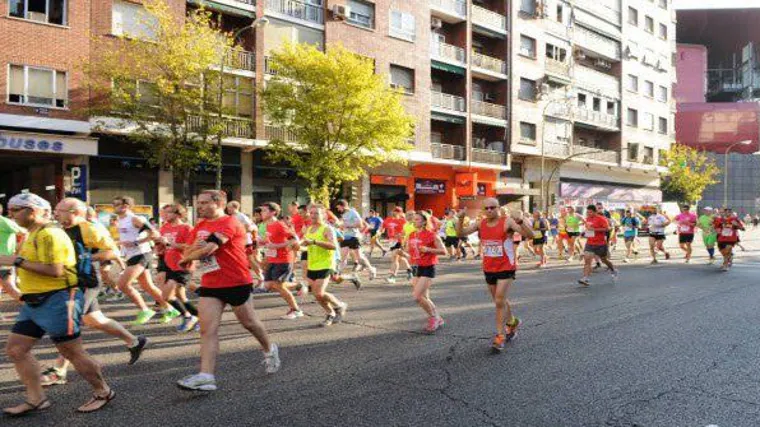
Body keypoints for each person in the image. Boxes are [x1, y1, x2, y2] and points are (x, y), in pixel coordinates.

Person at [1, 193, 114, 415]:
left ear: (31, 211)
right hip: (34, 302)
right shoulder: (32, 233)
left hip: (59, 299)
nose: (10, 214)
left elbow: (56, 271)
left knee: (72, 352)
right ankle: (37, 399)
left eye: (15, 210)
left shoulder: (51, 234)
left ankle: (103, 391)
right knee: (16, 350)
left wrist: (16, 261)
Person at [37, 198, 148, 388]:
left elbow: (113, 252)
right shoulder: (61, 228)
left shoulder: (91, 229)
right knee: (95, 320)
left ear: (74, 211)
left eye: (60, 210)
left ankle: (59, 370)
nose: (56, 213)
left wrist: (84, 257)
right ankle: (134, 341)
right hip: (70, 281)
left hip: (87, 282)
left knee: (70, 323)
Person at [177, 190, 280, 391]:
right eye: (199, 203)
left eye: (205, 203)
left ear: (219, 203)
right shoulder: (199, 226)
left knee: (249, 323)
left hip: (236, 281)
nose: (200, 206)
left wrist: (188, 256)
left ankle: (269, 349)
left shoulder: (230, 223)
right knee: (207, 330)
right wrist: (190, 253)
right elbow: (188, 250)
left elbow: (209, 249)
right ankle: (206, 376)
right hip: (211, 284)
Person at [456, 198, 533, 353]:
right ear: (483, 210)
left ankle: (500, 336)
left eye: (493, 207)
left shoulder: (507, 222)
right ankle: (512, 321)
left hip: (506, 266)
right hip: (489, 267)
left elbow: (530, 235)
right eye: (486, 208)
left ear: (498, 208)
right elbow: (461, 233)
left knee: (498, 301)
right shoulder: (481, 224)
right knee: (500, 300)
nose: (489, 210)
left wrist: (521, 221)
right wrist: (460, 218)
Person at [112, 196, 177, 324]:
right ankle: (170, 308)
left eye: (117, 204)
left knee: (122, 285)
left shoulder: (135, 219)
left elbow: (155, 234)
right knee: (147, 286)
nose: (115, 207)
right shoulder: (121, 219)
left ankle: (145, 310)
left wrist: (136, 243)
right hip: (131, 256)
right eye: (114, 204)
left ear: (126, 206)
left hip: (141, 254)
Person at [301, 204, 348, 327]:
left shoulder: (327, 228)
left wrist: (315, 242)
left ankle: (339, 305)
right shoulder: (308, 229)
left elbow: (333, 246)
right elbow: (305, 246)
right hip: (312, 264)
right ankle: (331, 312)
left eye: (316, 213)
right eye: (311, 213)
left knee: (319, 293)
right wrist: (296, 247)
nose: (313, 215)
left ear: (323, 215)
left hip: (326, 263)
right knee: (317, 295)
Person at [158, 204, 199, 333]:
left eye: (169, 213)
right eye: (165, 213)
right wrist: (159, 245)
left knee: (166, 295)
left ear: (178, 214)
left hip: (183, 265)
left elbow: (191, 246)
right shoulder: (164, 227)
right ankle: (199, 318)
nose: (165, 215)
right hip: (169, 265)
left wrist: (170, 243)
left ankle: (188, 316)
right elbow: (162, 247)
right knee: (181, 296)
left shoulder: (187, 228)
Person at [259, 202, 304, 319]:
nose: (261, 213)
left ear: (273, 212)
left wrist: (276, 246)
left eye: (264, 210)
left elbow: (294, 240)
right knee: (268, 285)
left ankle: (296, 310)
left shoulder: (280, 224)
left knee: (279, 286)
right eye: (261, 210)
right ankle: (298, 285)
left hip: (283, 259)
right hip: (272, 258)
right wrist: (261, 242)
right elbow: (271, 240)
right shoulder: (267, 225)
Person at [406, 211, 447, 333]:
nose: (414, 221)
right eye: (413, 219)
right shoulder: (412, 235)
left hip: (428, 266)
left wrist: (428, 249)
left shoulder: (432, 235)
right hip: (415, 267)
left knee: (417, 296)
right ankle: (437, 318)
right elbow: (410, 251)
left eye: (417, 219)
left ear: (424, 221)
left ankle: (434, 318)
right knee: (424, 296)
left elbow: (444, 251)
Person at [335, 200, 377, 279]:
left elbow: (360, 224)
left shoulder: (353, 212)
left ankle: (372, 269)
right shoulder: (344, 214)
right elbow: (344, 225)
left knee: (359, 257)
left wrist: (346, 225)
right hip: (345, 237)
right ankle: (337, 273)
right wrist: (339, 226)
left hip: (354, 237)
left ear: (343, 206)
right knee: (342, 257)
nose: (338, 210)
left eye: (339, 208)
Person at [578, 205, 618, 287]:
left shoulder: (601, 219)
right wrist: (583, 234)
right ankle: (585, 278)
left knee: (604, 260)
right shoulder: (588, 219)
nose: (588, 213)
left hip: (600, 244)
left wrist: (594, 230)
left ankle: (613, 269)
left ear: (595, 212)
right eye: (587, 212)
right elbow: (588, 229)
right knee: (587, 261)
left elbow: (607, 229)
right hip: (590, 243)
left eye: (590, 212)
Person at [0, 204, 25, 311]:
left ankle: (33, 308)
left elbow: (24, 233)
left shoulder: (3, 221)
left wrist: (18, 250)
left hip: (5, 260)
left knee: (10, 287)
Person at [381, 207, 412, 283]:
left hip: (400, 241)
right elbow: (382, 228)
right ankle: (410, 270)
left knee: (394, 258)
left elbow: (407, 232)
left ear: (401, 213)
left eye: (398, 211)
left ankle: (392, 276)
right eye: (394, 211)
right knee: (400, 259)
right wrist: (379, 232)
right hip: (391, 242)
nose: (395, 213)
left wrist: (402, 237)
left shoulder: (403, 221)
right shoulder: (388, 219)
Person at [714, 208, 744, 272]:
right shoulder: (720, 220)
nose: (727, 213)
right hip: (721, 238)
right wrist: (717, 230)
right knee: (723, 252)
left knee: (727, 251)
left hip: (731, 238)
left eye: (729, 212)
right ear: (724, 213)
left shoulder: (735, 219)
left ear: (731, 213)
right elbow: (716, 227)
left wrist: (736, 224)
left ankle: (725, 265)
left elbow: (742, 228)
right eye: (726, 212)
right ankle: (729, 257)